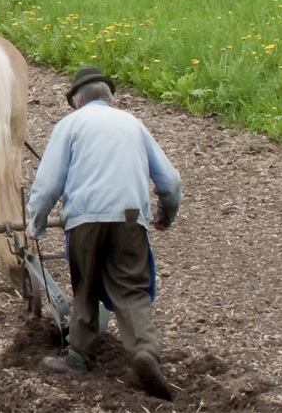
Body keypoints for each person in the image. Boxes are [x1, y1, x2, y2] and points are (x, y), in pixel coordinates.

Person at [25, 66, 182, 401]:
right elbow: (171, 181)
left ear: (77, 100)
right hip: (130, 219)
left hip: (85, 219)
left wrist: (35, 224)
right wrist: (165, 214)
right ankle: (144, 352)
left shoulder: (70, 125)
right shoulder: (134, 124)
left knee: (86, 286)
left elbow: (48, 183)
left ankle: (78, 358)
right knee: (132, 289)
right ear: (111, 98)